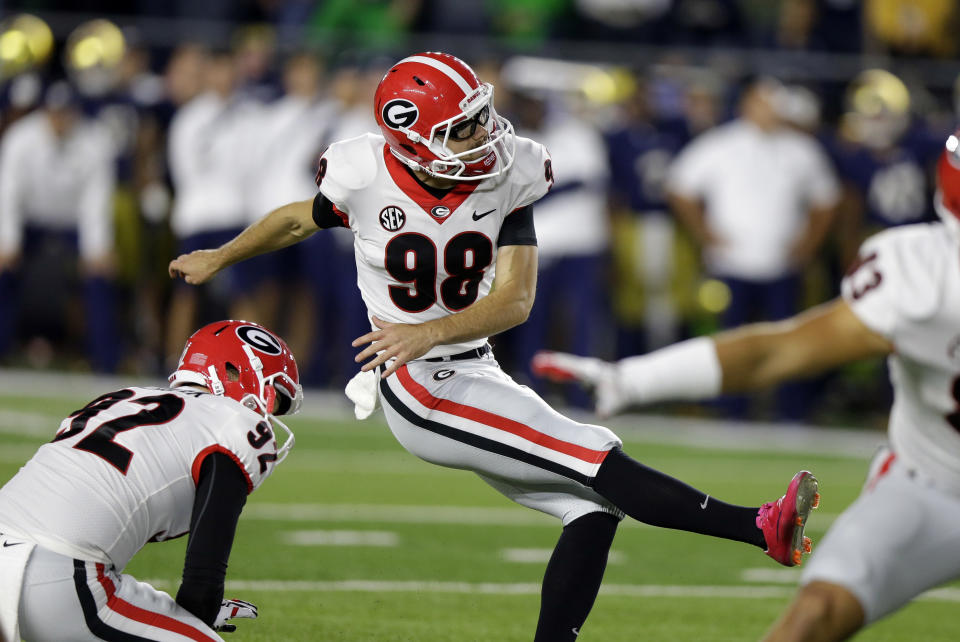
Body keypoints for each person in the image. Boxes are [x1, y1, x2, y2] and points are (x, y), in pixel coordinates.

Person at [169, 52, 819, 641]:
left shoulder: (514, 171)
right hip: (419, 385)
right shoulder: (363, 170)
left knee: (589, 507)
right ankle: (760, 527)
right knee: (595, 454)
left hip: (466, 364)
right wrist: (223, 256)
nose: (482, 136)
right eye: (461, 129)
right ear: (412, 141)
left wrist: (430, 328)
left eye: (480, 117)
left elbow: (515, 300)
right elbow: (297, 218)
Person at [532, 133, 960, 641]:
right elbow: (777, 351)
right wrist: (634, 380)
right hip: (933, 484)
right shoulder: (925, 272)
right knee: (816, 613)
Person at [0, 319, 302, 641]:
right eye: (273, 398)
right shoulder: (231, 423)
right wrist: (203, 613)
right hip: (57, 577)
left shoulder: (122, 397)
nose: (268, 415)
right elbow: (201, 582)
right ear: (234, 372)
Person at [666, 76, 841, 421]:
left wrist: (807, 245)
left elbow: (827, 200)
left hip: (782, 264)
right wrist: (706, 234)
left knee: (789, 343)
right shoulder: (720, 144)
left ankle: (791, 411)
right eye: (764, 103)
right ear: (747, 105)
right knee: (731, 341)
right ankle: (732, 409)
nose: (770, 112)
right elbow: (680, 187)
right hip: (731, 263)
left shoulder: (800, 149)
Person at [0, 80, 120, 372]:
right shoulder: (20, 138)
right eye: (55, 112)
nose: (59, 120)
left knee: (100, 276)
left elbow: (96, 201)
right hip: (31, 222)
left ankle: (105, 362)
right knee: (3, 271)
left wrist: (97, 248)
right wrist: (8, 241)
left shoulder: (94, 141)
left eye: (65, 112)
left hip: (73, 224)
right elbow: (9, 193)